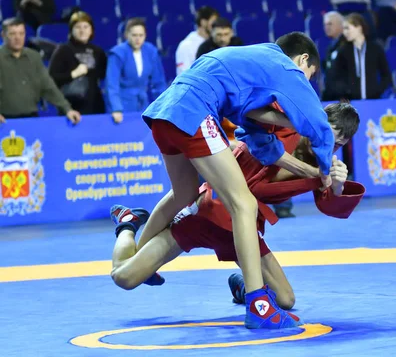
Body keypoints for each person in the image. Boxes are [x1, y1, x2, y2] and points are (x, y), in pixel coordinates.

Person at [138, 32, 335, 329]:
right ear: (303, 59)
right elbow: (318, 122)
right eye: (310, 75)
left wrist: (291, 124)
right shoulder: (287, 68)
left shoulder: (251, 63)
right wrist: (326, 167)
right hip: (195, 110)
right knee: (243, 203)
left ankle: (143, 258)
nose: (306, 81)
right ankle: (258, 304)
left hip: (165, 110)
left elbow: (257, 135)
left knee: (184, 194)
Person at [109, 102, 361, 321]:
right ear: (315, 122)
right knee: (124, 277)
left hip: (243, 230)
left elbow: (330, 205)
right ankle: (127, 225)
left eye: (337, 144)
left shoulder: (325, 165)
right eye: (325, 134)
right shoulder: (283, 127)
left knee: (285, 299)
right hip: (206, 213)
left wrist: (336, 185)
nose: (327, 145)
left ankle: (243, 286)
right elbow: (252, 117)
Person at [0, 17, 81, 124]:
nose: (17, 38)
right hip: (4, 121)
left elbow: (48, 86)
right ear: (3, 35)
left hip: (31, 118)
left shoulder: (34, 57)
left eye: (21, 33)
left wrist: (67, 109)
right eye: (12, 34)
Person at [106, 18, 167, 124]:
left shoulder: (151, 51)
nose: (138, 39)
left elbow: (159, 83)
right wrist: (116, 109)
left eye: (141, 35)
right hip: (122, 106)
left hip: (143, 105)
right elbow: (112, 84)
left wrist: (164, 107)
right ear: (126, 35)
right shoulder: (117, 54)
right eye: (134, 35)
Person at [48, 11, 107, 115]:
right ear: (71, 30)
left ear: (91, 30)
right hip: (71, 107)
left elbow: (105, 75)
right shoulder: (63, 50)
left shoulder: (98, 51)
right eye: (78, 27)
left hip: (95, 105)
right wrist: (73, 74)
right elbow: (51, 78)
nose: (82, 31)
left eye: (85, 27)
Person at [324, 13, 392, 101]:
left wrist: (378, 90)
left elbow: (386, 74)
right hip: (351, 102)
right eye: (344, 29)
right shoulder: (343, 51)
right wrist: (346, 91)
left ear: (359, 28)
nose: (345, 32)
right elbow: (334, 77)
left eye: (347, 28)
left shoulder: (375, 49)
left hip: (373, 101)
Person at [176, 6, 219, 75]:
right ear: (203, 22)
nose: (216, 25)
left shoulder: (217, 42)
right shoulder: (186, 45)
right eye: (213, 22)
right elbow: (184, 75)